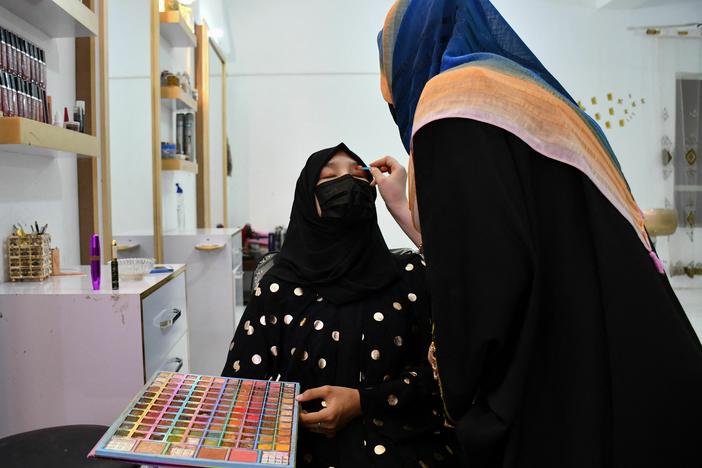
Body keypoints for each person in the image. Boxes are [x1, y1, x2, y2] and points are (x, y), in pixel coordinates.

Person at [374, 1, 702, 467]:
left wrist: (463, 405)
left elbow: (481, 302)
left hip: (564, 401)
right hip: (640, 370)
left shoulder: (444, 111)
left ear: (407, 54)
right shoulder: (522, 94)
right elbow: (522, 241)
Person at [222, 143, 459, 468]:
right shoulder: (279, 287)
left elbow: (444, 375)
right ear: (307, 199)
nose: (346, 181)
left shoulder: (409, 277)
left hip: (405, 448)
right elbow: (240, 394)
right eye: (329, 177)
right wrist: (294, 413)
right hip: (304, 452)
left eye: (357, 174)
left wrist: (363, 402)